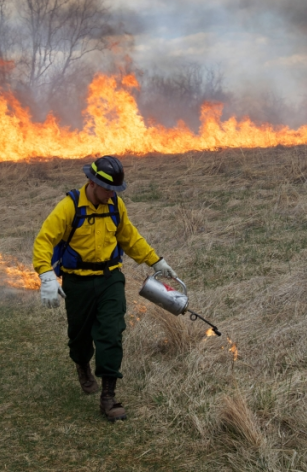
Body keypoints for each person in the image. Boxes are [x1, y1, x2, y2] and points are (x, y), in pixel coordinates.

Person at [32, 155, 178, 422]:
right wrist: (46, 275)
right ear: (92, 181)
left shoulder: (115, 205)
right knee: (79, 336)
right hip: (78, 282)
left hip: (111, 278)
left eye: (115, 190)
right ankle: (81, 364)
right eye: (108, 189)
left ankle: (108, 397)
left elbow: (129, 236)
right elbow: (44, 240)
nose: (112, 194)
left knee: (111, 333)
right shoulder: (69, 206)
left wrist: (155, 260)